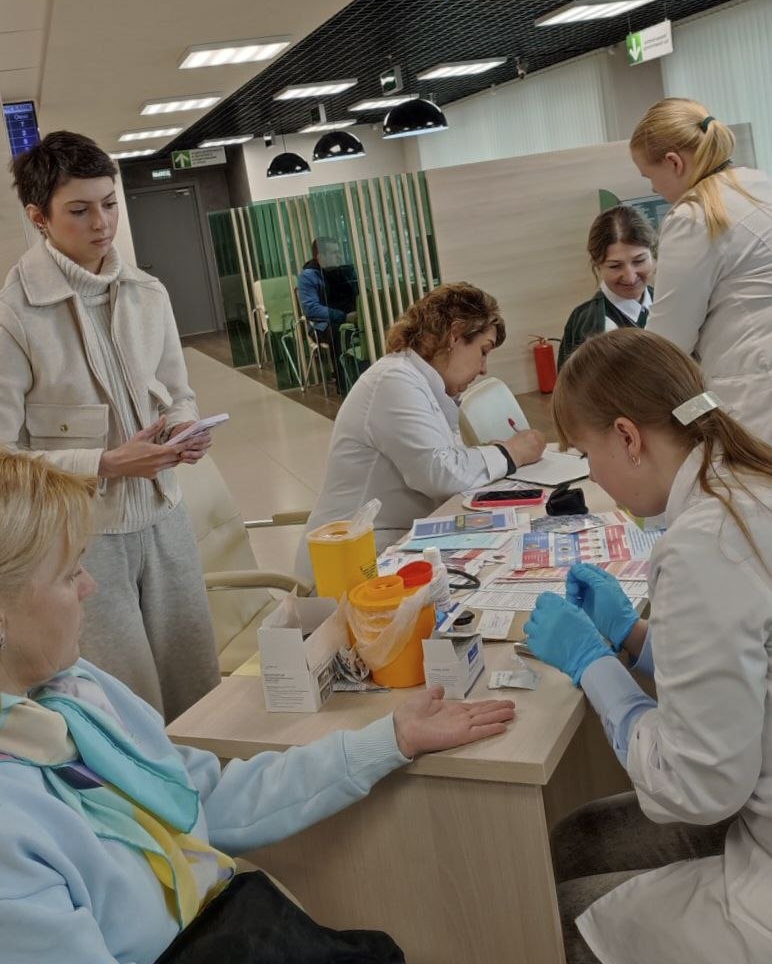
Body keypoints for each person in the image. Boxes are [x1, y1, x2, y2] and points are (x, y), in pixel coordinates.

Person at [0, 450, 515, 963]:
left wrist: (389, 739)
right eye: (69, 574)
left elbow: (204, 799)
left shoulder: (73, 694)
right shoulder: (11, 830)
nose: (89, 586)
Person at [523, 329, 772, 964]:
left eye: (587, 454)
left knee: (544, 923)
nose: (593, 474)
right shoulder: (748, 479)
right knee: (576, 841)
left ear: (628, 437)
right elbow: (747, 664)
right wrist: (636, 640)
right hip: (754, 794)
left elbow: (697, 785)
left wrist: (595, 667)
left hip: (756, 865)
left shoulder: (703, 543)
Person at [0, 130, 219, 721]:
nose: (101, 223)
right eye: (79, 210)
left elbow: (177, 390)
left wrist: (185, 427)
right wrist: (105, 463)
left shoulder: (147, 292)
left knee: (196, 681)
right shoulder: (13, 314)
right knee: (127, 701)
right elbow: (3, 455)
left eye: (109, 203)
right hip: (80, 540)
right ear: (39, 218)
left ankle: (212, 777)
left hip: (166, 516)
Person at [296, 282, 546, 583]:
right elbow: (439, 474)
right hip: (349, 567)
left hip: (391, 546)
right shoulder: (393, 380)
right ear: (455, 335)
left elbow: (446, 462)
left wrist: (488, 456)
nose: (483, 369)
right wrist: (510, 452)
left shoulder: (418, 381)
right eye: (483, 351)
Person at [629, 97, 772, 442]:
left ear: (673, 162)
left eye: (650, 177)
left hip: (752, 398)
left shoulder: (695, 216)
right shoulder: (759, 183)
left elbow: (668, 343)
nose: (653, 189)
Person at [557, 205, 656, 368]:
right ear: (598, 265)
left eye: (639, 261)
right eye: (615, 266)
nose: (630, 277)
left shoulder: (668, 301)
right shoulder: (590, 325)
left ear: (653, 255)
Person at [296, 237, 358, 392]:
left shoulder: (344, 272)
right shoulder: (308, 276)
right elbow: (311, 309)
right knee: (341, 332)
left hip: (352, 316)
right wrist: (343, 317)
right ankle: (345, 384)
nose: (339, 256)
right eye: (334, 253)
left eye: (339, 252)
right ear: (320, 257)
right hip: (322, 324)